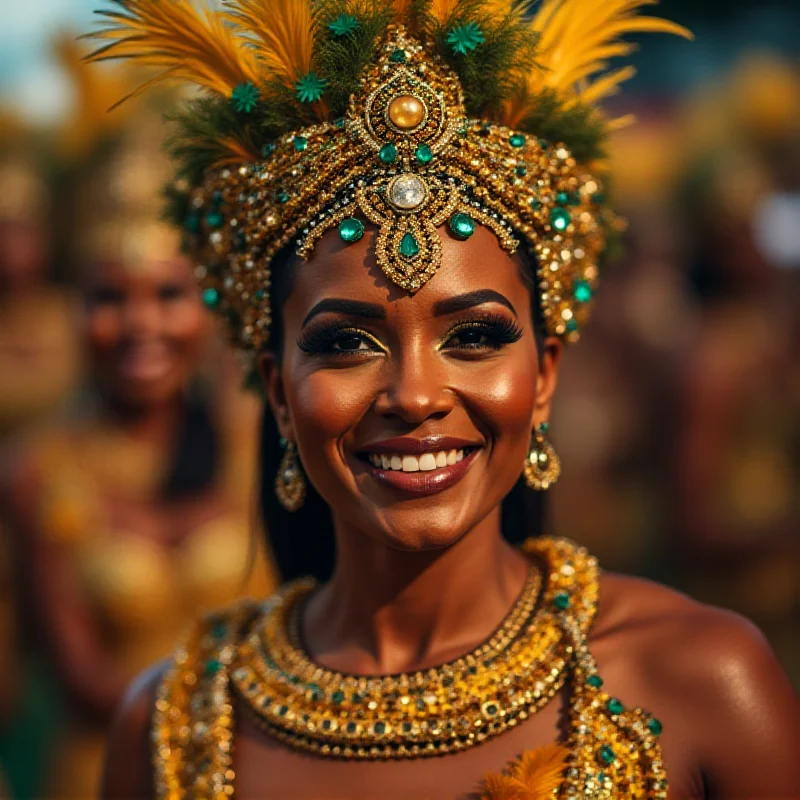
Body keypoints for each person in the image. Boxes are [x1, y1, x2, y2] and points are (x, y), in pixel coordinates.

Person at [87, 1, 800, 798]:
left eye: (475, 336)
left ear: (546, 375)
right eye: (344, 343)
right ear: (280, 396)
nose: (416, 395)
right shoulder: (173, 724)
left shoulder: (700, 682)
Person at [1, 116, 274, 798]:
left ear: (208, 305)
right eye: (110, 298)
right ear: (75, 306)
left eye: (169, 295)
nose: (141, 325)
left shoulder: (261, 436)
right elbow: (79, 677)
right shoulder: (39, 470)